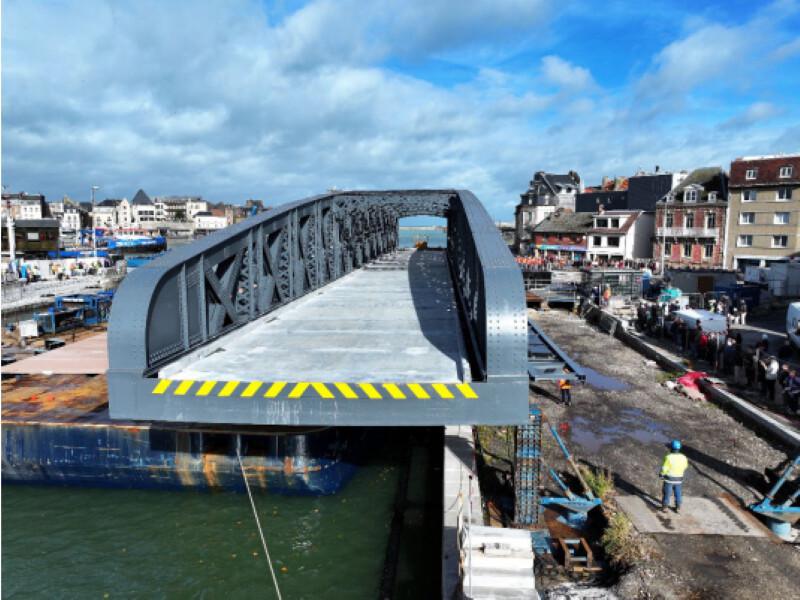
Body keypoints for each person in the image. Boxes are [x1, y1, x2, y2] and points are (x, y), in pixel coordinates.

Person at [660, 439, 689, 513]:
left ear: (671, 448)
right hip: (679, 479)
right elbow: (685, 466)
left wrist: (662, 474)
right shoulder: (683, 457)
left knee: (667, 493)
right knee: (678, 492)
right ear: (679, 448)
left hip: (669, 479)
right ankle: (678, 507)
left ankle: (665, 507)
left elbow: (665, 468)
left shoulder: (668, 457)